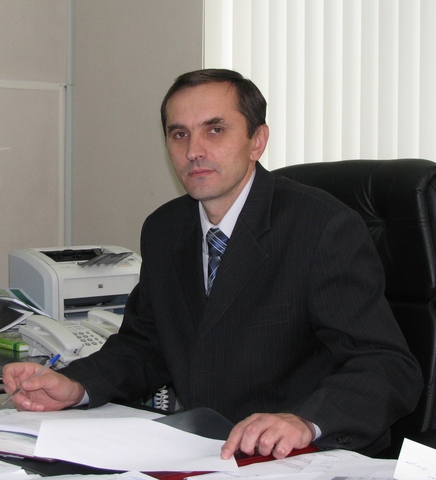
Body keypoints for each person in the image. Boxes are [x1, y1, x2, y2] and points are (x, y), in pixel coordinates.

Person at [3, 69, 423, 459]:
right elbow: (144, 346)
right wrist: (76, 384)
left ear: (257, 141)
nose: (193, 151)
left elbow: (386, 365)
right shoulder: (166, 229)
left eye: (215, 130)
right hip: (206, 450)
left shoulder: (321, 227)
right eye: (179, 134)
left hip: (302, 455)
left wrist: (305, 422)